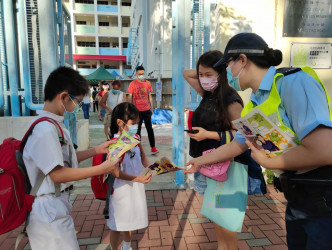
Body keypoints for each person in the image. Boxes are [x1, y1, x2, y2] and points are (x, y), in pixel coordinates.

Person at [185, 33, 332, 249]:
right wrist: (199, 161)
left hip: (322, 194)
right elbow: (237, 144)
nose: (227, 72)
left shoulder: (293, 82)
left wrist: (267, 162)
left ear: (243, 60)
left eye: (228, 64)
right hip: (296, 195)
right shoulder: (254, 103)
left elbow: (324, 150)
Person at [23, 66, 120, 250]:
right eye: (77, 102)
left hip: (55, 205)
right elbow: (57, 174)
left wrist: (96, 150)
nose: (76, 107)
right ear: (63, 97)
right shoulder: (45, 130)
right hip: (48, 210)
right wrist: (102, 169)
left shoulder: (52, 124)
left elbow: (60, 159)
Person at [183, 50, 245, 250]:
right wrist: (204, 70)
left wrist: (207, 135)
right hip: (210, 167)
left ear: (221, 73)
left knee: (227, 225)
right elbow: (186, 73)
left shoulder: (231, 101)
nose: (203, 79)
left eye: (209, 75)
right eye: (201, 75)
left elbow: (243, 138)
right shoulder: (208, 94)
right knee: (218, 221)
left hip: (227, 169)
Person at [107, 102, 152, 250]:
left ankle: (127, 246)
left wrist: (158, 168)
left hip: (135, 186)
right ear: (120, 122)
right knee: (117, 224)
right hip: (120, 190)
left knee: (130, 220)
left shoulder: (136, 139)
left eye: (138, 123)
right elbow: (115, 172)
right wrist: (138, 179)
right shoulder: (114, 143)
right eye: (133, 123)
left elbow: (144, 159)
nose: (136, 127)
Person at [128, 66, 159, 154]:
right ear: (136, 74)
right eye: (140, 74)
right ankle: (137, 148)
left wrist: (151, 108)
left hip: (146, 110)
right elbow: (130, 96)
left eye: (143, 74)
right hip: (137, 111)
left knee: (150, 129)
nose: (141, 75)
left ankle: (153, 147)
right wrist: (131, 109)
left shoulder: (148, 83)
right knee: (137, 130)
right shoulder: (133, 84)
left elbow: (149, 95)